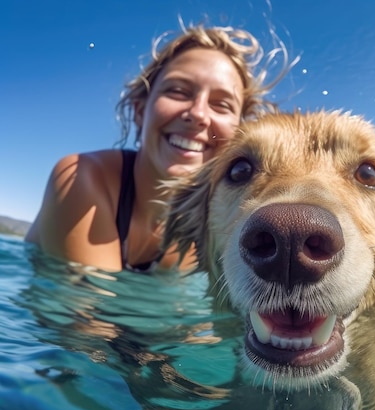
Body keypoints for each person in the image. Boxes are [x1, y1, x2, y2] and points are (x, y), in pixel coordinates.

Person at [26, 22, 293, 273]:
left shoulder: (217, 219)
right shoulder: (79, 177)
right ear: (140, 110)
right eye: (178, 91)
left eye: (221, 104)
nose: (198, 114)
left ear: (239, 134)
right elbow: (87, 319)